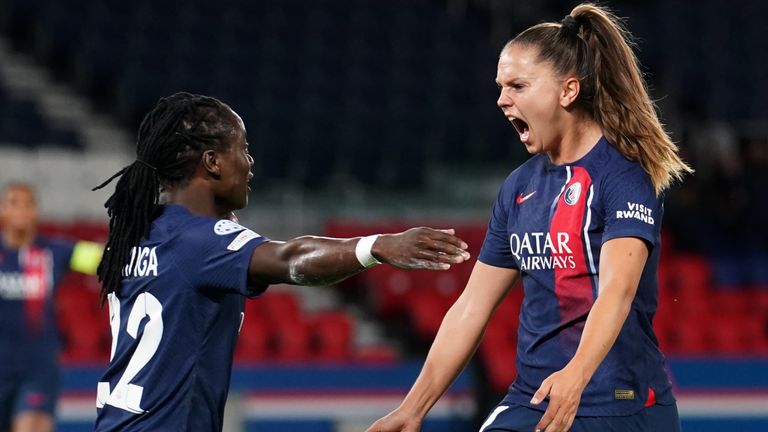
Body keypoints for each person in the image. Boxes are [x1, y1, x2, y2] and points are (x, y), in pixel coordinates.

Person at [367, 4, 693, 432]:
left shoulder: (623, 178)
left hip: (619, 403)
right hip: (535, 398)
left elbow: (618, 290)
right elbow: (472, 306)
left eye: (518, 85)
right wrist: (413, 408)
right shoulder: (519, 188)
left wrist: (576, 376)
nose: (502, 100)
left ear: (568, 91)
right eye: (501, 87)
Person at [90, 92, 471, 431]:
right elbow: (292, 259)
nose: (250, 162)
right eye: (242, 148)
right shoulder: (199, 240)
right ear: (213, 163)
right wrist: (378, 246)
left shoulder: (138, 233)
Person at [0, 183, 102, 432]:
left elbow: (105, 258)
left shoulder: (54, 251)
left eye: (29, 204)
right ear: (2, 210)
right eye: (14, 203)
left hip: (38, 369)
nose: (22, 210)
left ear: (36, 211)